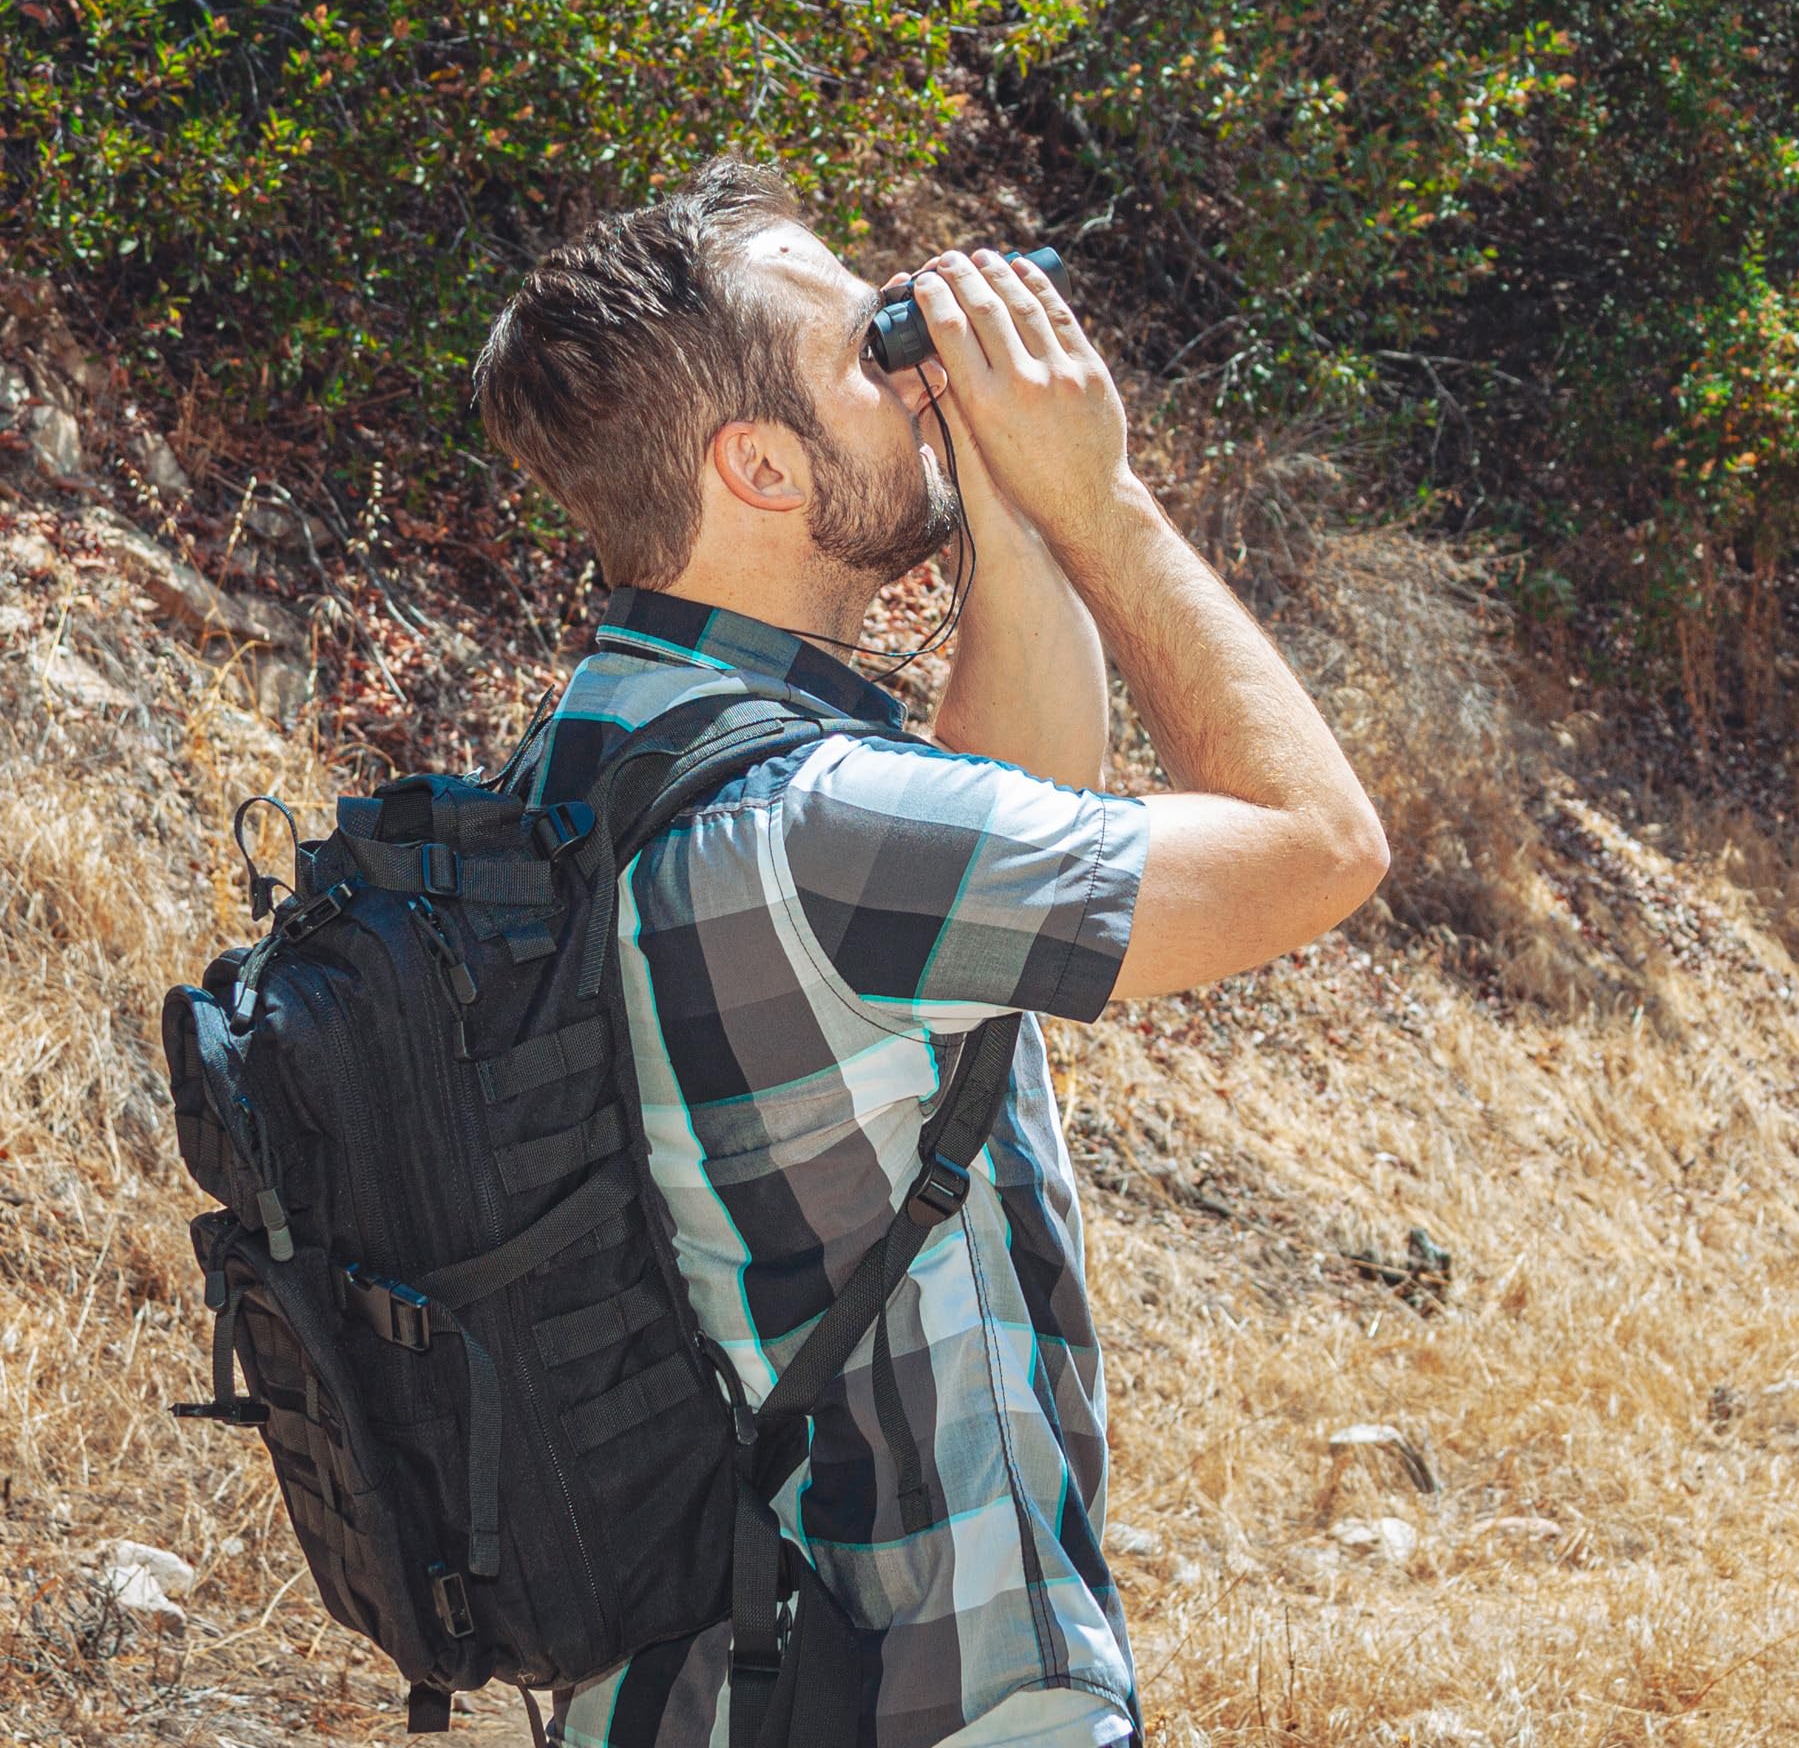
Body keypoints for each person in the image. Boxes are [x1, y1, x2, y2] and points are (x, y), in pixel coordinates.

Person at [469, 158, 1390, 1748]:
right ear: (760, 465)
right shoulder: (819, 830)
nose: (916, 368)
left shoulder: (560, 785)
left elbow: (1008, 816)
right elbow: (1320, 848)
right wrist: (1106, 503)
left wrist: (1005, 502)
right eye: (870, 352)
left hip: (672, 1697)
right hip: (928, 1693)